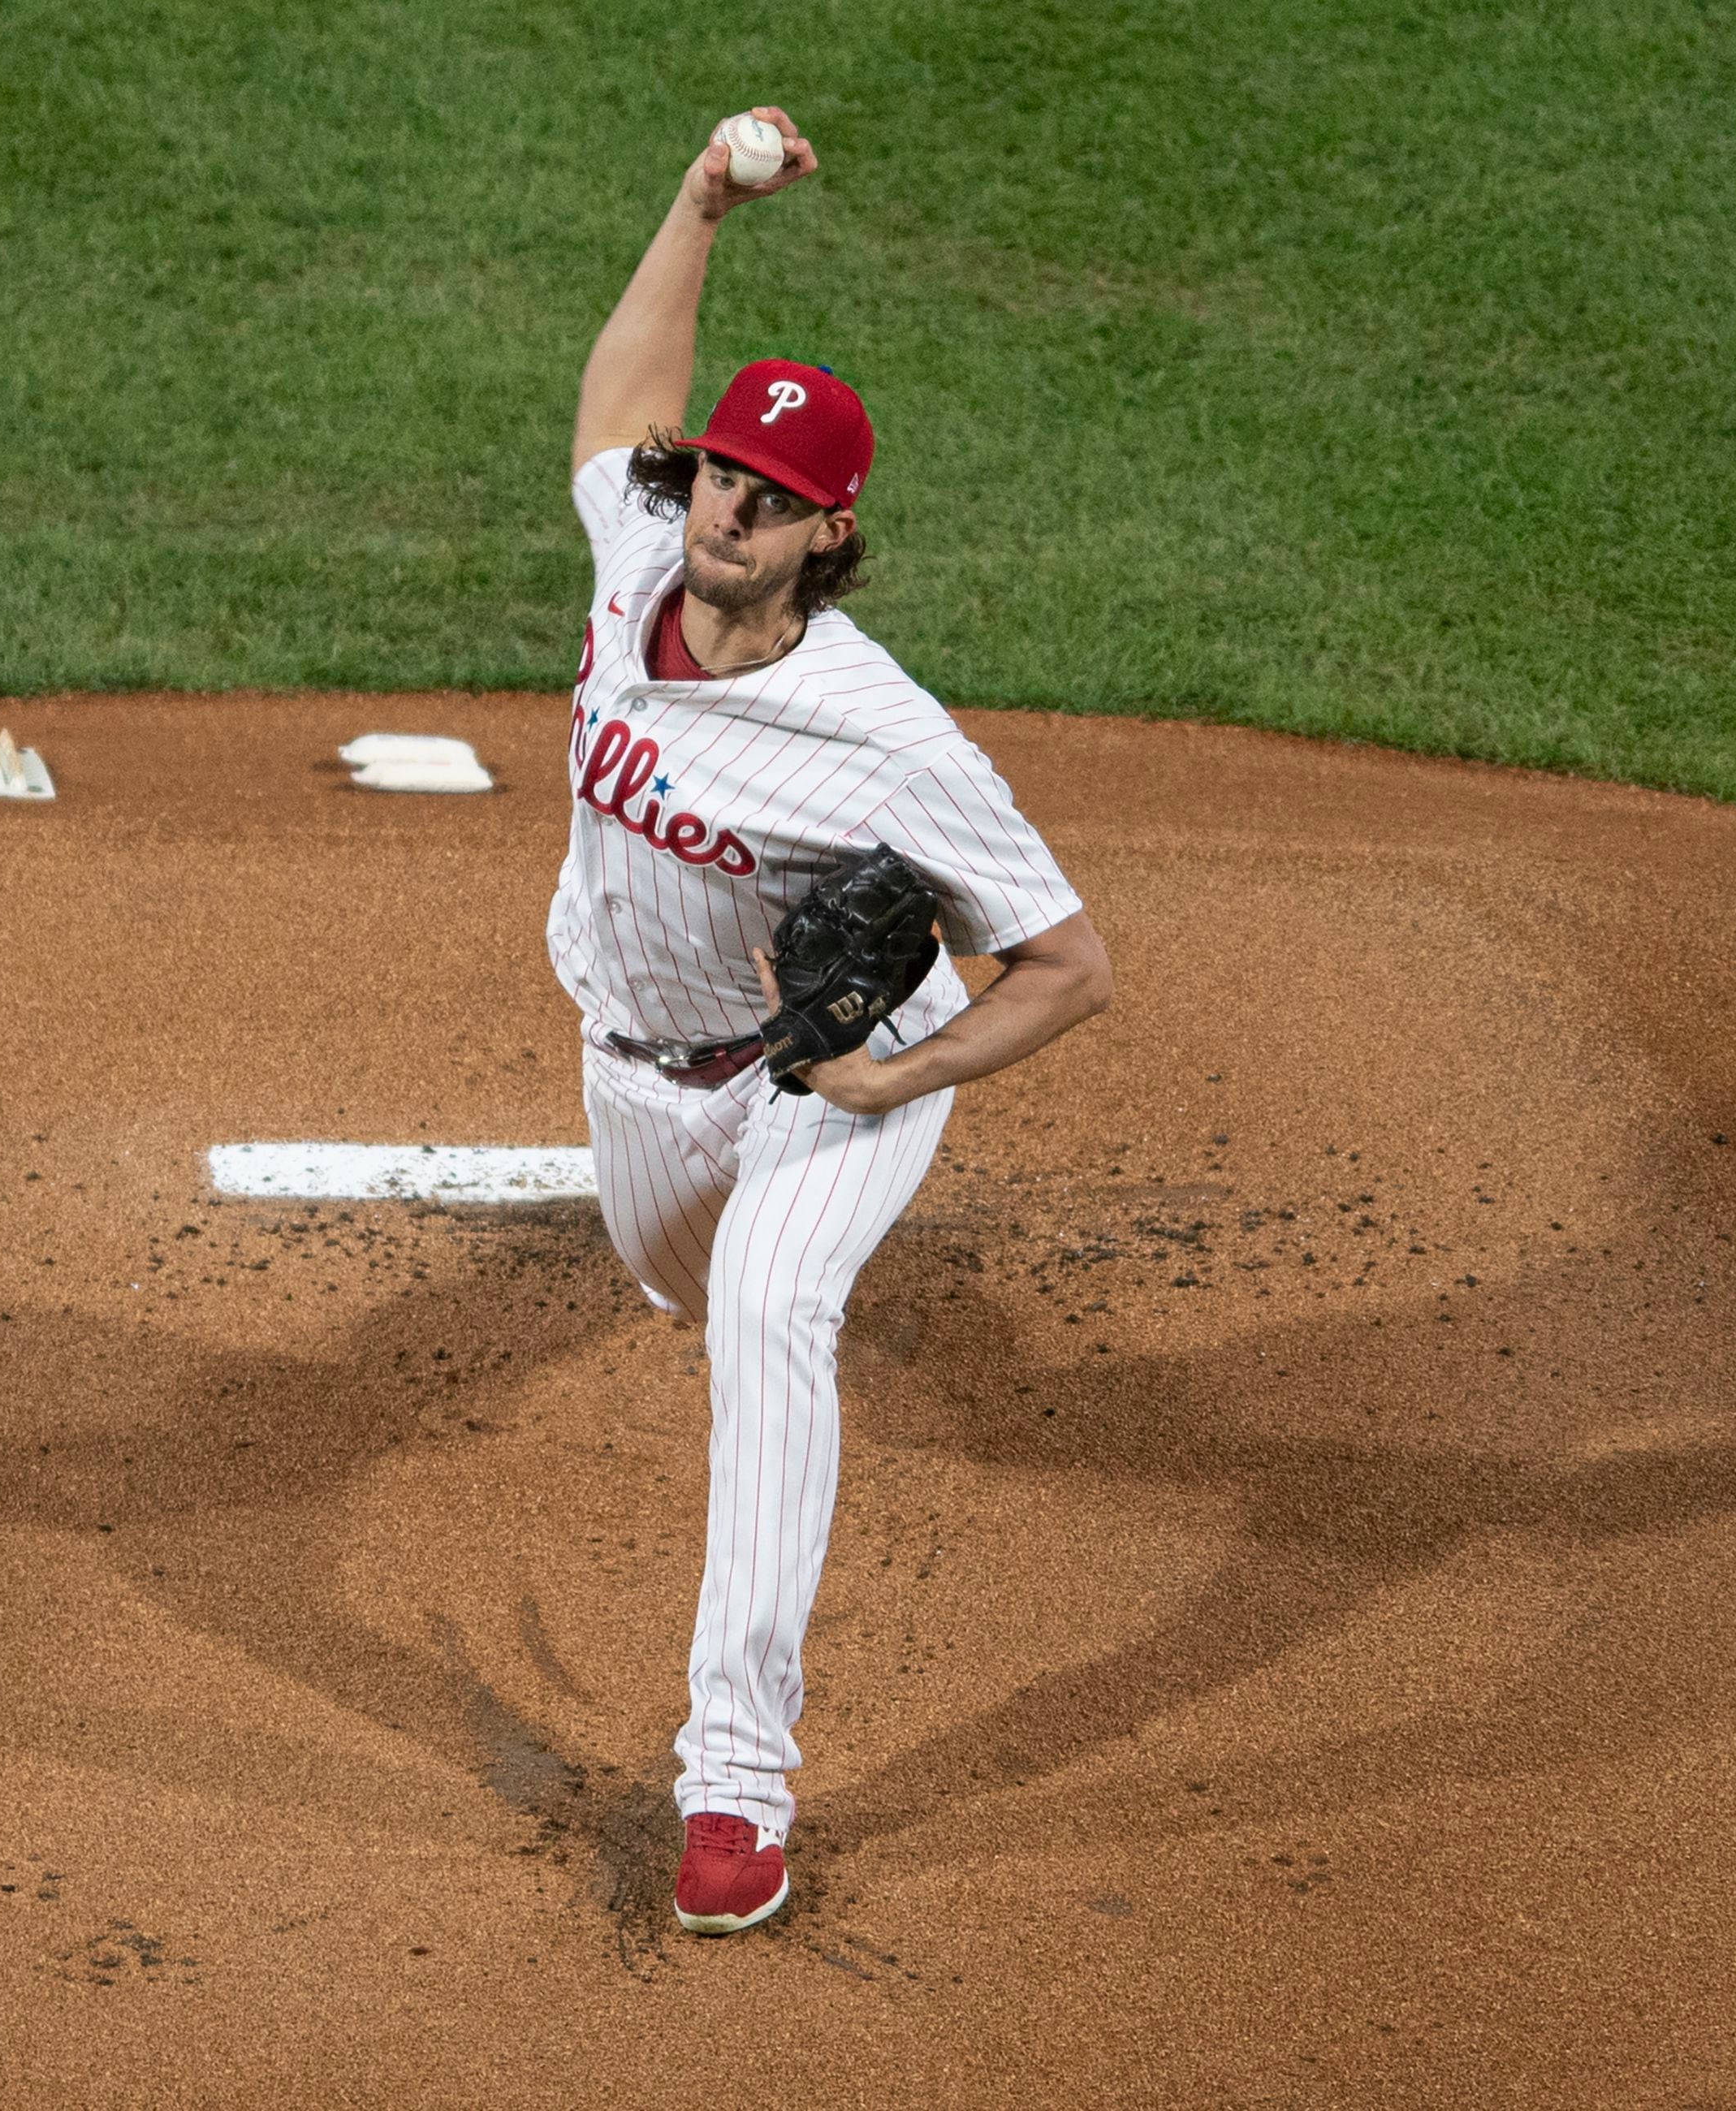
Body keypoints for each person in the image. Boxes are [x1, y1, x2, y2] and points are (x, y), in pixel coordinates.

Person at [555, 106, 1113, 1935]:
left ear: (827, 531)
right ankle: (718, 1218)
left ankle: (736, 1785)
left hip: (818, 1073)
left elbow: (1065, 962)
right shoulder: (640, 545)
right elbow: (619, 391)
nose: (726, 505)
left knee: (774, 1310)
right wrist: (697, 200)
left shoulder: (889, 741)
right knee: (680, 1278)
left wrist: (902, 1066)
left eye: (769, 497)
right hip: (634, 1079)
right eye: (720, 472)